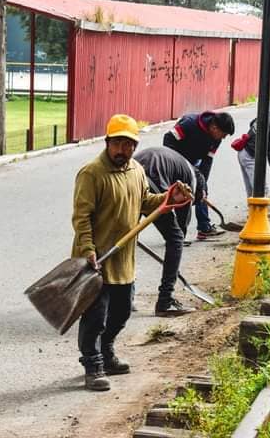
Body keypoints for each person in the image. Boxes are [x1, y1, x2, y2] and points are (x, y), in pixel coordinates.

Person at [72, 114, 191, 391]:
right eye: (118, 144)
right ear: (107, 142)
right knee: (94, 317)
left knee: (122, 312)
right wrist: (88, 249)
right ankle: (93, 364)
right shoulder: (91, 173)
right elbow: (81, 217)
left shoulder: (136, 170)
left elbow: (146, 202)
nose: (123, 150)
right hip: (97, 259)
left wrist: (167, 198)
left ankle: (107, 351)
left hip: (124, 258)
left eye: (129, 145)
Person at [134, 147, 206, 316]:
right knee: (175, 238)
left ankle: (123, 296)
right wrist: (174, 258)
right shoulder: (192, 182)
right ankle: (165, 300)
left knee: (127, 238)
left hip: (131, 178)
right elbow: (181, 224)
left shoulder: (180, 162)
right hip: (152, 186)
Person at [163, 111, 234, 240]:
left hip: (194, 161)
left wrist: (202, 184)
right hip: (174, 160)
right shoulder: (189, 124)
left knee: (202, 190)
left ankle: (204, 227)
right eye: (223, 135)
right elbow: (168, 139)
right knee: (182, 195)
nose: (222, 138)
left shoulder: (216, 138)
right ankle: (176, 235)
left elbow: (208, 160)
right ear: (214, 127)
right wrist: (177, 162)